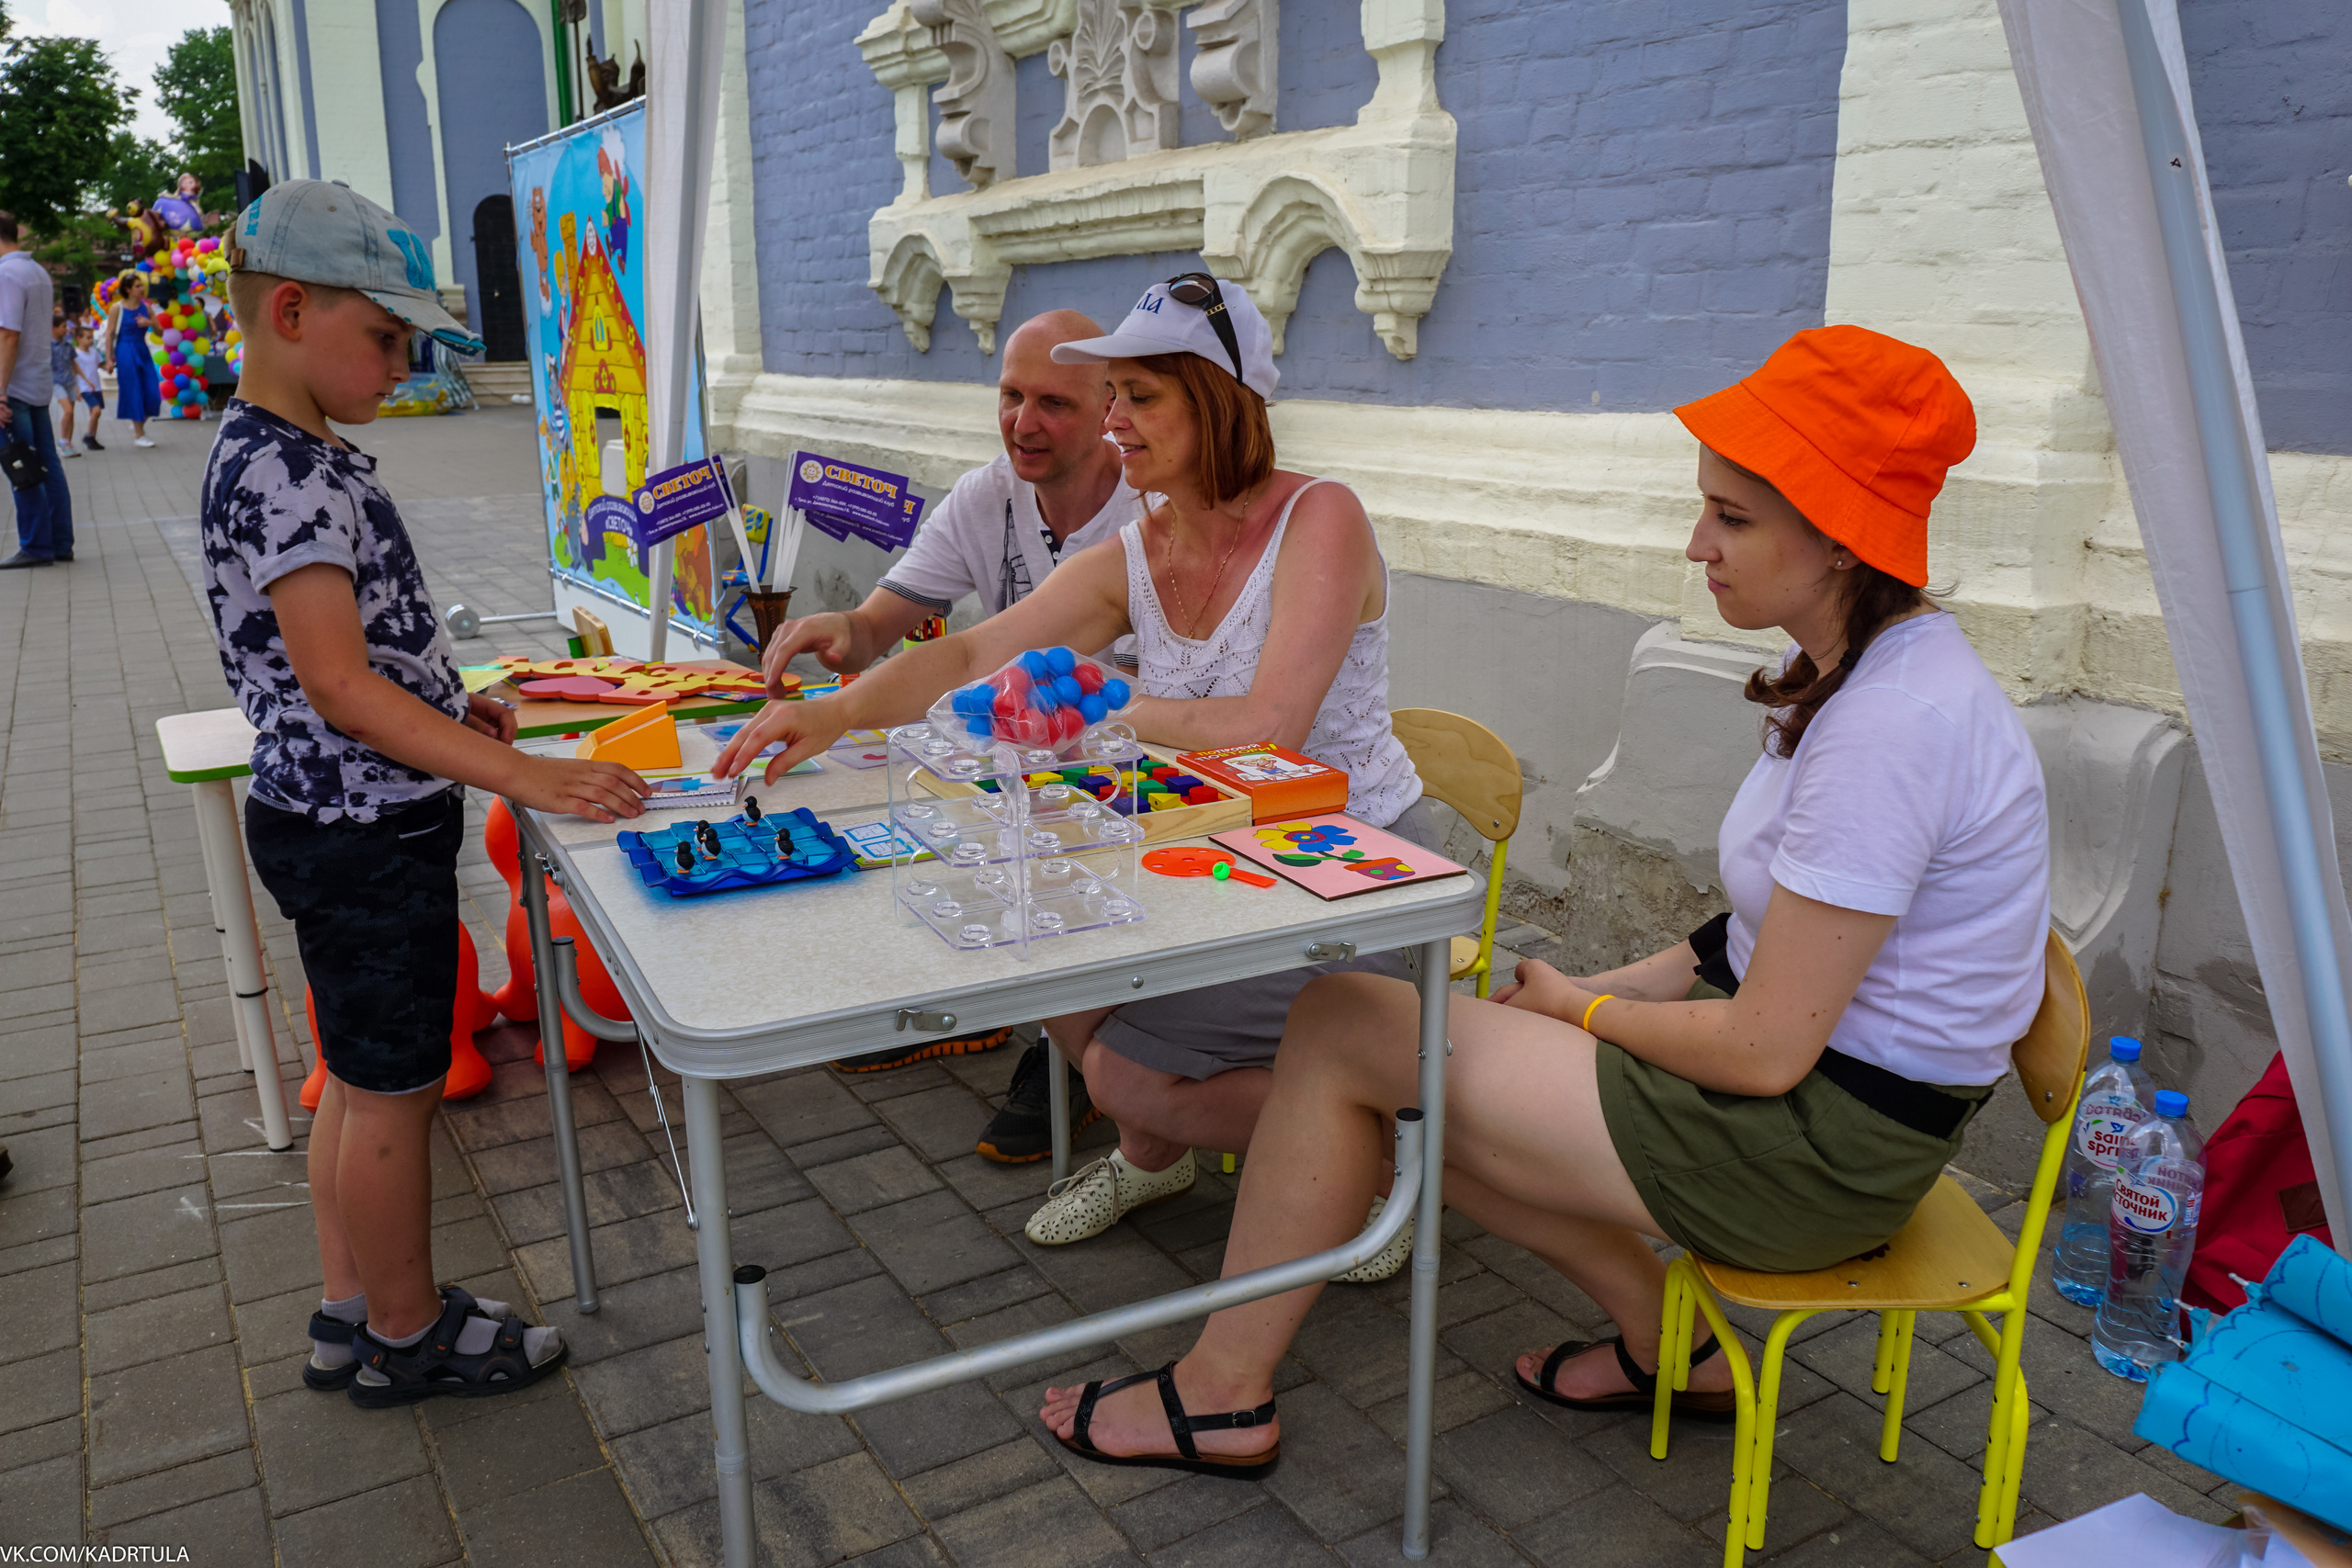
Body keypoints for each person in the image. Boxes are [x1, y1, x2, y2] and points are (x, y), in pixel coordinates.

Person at [1035, 325, 2052, 1478]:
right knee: (1418, 1086)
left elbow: (1765, 1048)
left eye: (1732, 517)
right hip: (1825, 1111)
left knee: (1344, 1031)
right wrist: (1593, 994)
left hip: (1813, 1154)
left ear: (1839, 537)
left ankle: (1218, 1396)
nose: (1694, 546)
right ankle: (1673, 1344)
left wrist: (1578, 1011)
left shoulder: (1890, 727)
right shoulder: (1874, 673)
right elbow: (1751, 938)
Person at [718, 274, 1430, 1274]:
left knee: (1124, 1069)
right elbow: (971, 656)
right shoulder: (1140, 544)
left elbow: (1271, 727)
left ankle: (1383, 1144)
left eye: (1140, 397)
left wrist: (1101, 706)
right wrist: (830, 713)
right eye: (1114, 397)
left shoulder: (1320, 518)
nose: (1114, 421)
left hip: (1346, 868)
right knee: (1038, 945)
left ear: (1218, 402)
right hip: (1212, 846)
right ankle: (1168, 1148)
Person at [205, 181, 651, 1405]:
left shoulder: (285, 453)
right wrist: (523, 770)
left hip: (334, 819)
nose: (403, 363)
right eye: (386, 338)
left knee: (358, 1071)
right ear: (291, 310)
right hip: (361, 834)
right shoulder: (289, 473)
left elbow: (365, 663)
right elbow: (342, 685)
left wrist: (453, 712)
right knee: (394, 1084)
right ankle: (407, 1332)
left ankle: (349, 1308)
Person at [759, 309, 1140, 1141]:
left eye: (1054, 403)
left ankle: (1066, 1043)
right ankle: (980, 1005)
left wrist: (841, 706)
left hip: (1127, 770)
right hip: (1020, 759)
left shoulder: (1153, 509)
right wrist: (842, 635)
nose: (1022, 422)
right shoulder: (985, 496)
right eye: (1009, 394)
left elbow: (974, 658)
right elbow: (881, 629)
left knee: (1014, 825)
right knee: (910, 817)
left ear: (1113, 408)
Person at [0, 214, 75, 570]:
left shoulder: (6, 274)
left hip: (13, 386)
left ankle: (35, 546)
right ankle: (60, 542)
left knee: (21, 464)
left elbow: (8, 335)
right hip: (38, 382)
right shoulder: (38, 272)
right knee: (48, 463)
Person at [105, 270, 162, 446]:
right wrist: (108, 359)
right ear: (128, 289)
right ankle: (139, 435)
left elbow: (160, 331)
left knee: (153, 393)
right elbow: (110, 334)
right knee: (134, 390)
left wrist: (150, 323)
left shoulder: (147, 307)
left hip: (142, 349)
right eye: (137, 286)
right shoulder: (117, 308)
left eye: (141, 286)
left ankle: (138, 424)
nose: (141, 289)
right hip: (125, 350)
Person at [51, 313, 81, 457]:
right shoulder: (47, 346)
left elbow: (73, 364)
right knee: (67, 411)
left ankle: (68, 443)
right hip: (56, 382)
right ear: (54, 328)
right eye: (63, 327)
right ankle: (62, 442)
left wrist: (80, 383)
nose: (66, 329)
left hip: (69, 381)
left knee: (71, 414)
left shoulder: (68, 345)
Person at [72, 326, 104, 451]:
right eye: (88, 338)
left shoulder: (94, 352)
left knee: (94, 413)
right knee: (96, 411)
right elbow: (73, 372)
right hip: (85, 388)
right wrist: (76, 389)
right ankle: (88, 436)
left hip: (96, 387)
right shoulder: (76, 354)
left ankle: (92, 438)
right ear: (79, 339)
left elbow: (100, 364)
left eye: (92, 338)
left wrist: (108, 367)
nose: (91, 341)